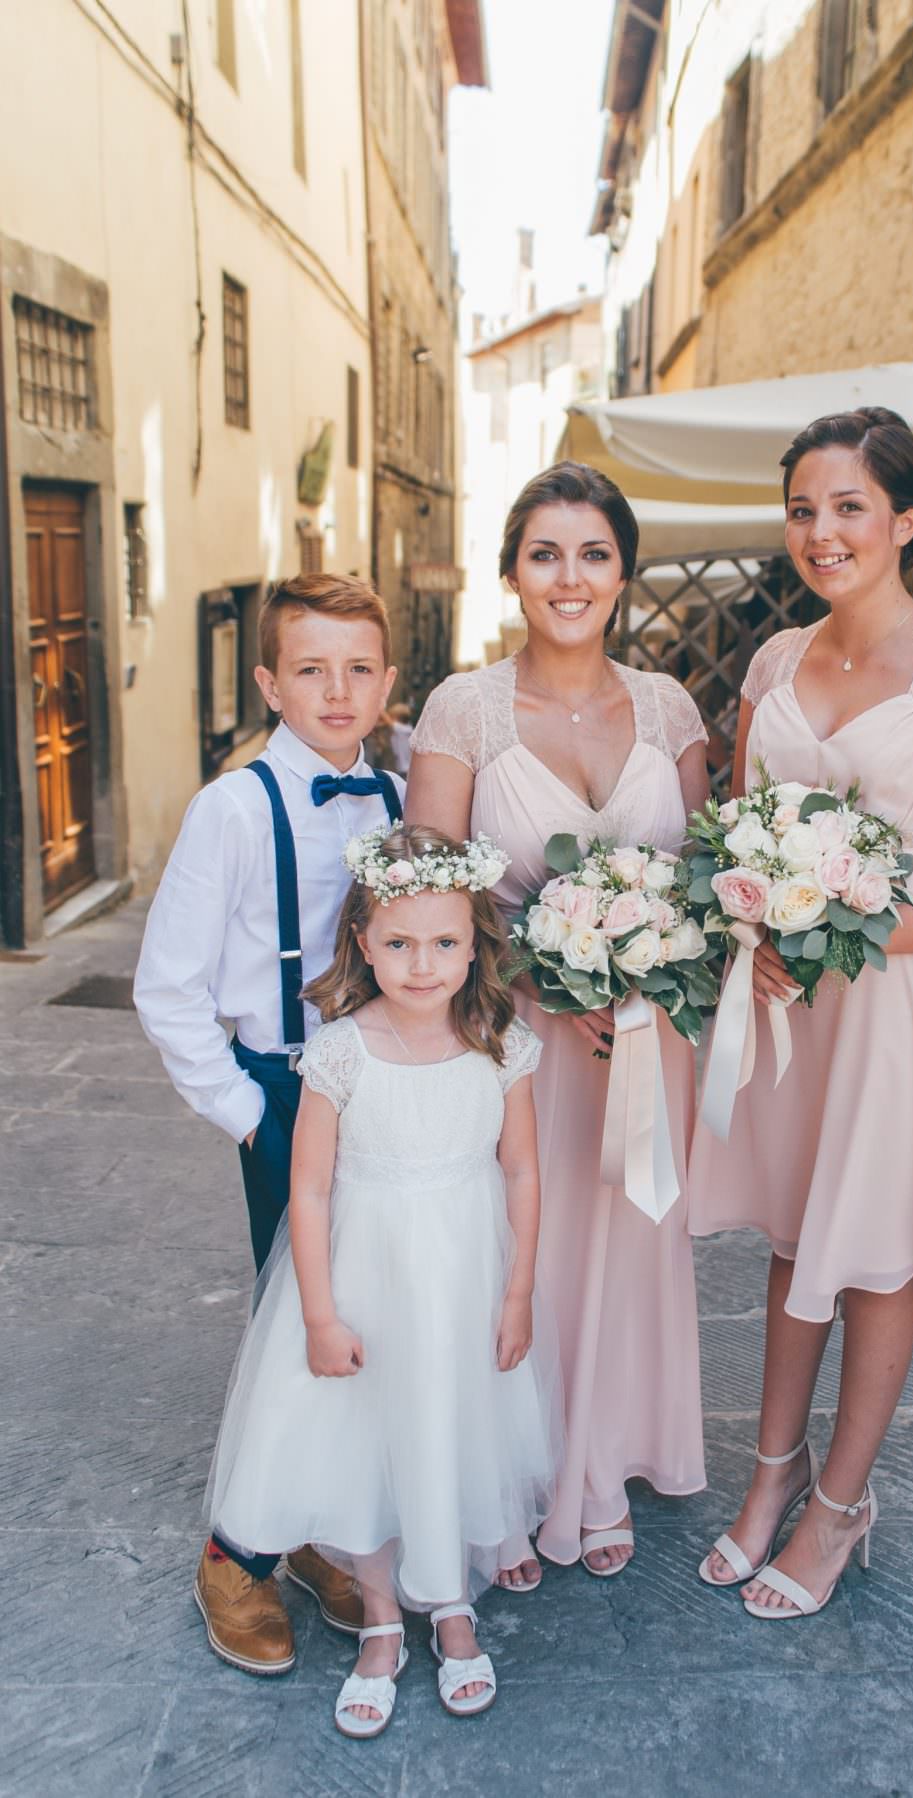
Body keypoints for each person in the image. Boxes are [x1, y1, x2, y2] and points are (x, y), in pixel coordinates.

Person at [690, 407, 913, 1619]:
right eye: (803, 508)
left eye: (849, 507)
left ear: (904, 519)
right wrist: (766, 931)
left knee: (873, 1249)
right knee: (799, 1227)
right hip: (797, 1000)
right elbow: (738, 835)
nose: (822, 531)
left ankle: (842, 1508)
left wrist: (859, 926)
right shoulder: (770, 665)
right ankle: (771, 1476)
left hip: (899, 996)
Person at [405, 461, 708, 1580]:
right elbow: (429, 893)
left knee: (628, 1239)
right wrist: (552, 968)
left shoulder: (671, 706)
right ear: (511, 573)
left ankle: (607, 1460)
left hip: (646, 1038)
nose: (568, 576)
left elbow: (704, 872)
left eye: (592, 553)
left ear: (624, 571)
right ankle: (518, 1475)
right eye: (545, 553)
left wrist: (652, 961)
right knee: (517, 1249)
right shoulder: (462, 710)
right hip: (520, 1038)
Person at [206, 825, 558, 1735]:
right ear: (362, 942)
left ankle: (450, 1606)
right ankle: (380, 1620)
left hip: (463, 1277)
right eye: (399, 943)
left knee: (446, 1427)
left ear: (477, 943)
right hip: (363, 1277)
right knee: (365, 1440)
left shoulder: (501, 1047)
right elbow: (310, 1191)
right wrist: (319, 1315)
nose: (422, 964)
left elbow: (520, 1170)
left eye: (445, 943)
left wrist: (518, 1291)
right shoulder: (338, 1053)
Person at [134, 573, 404, 1673]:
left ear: (388, 682)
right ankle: (235, 1552)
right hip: (289, 1093)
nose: (336, 692)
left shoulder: (392, 799)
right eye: (309, 669)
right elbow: (168, 989)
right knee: (299, 1331)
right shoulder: (231, 807)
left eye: (357, 669)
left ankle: (321, 1531)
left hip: (386, 1089)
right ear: (268, 682)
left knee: (367, 1320)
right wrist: (250, 1113)